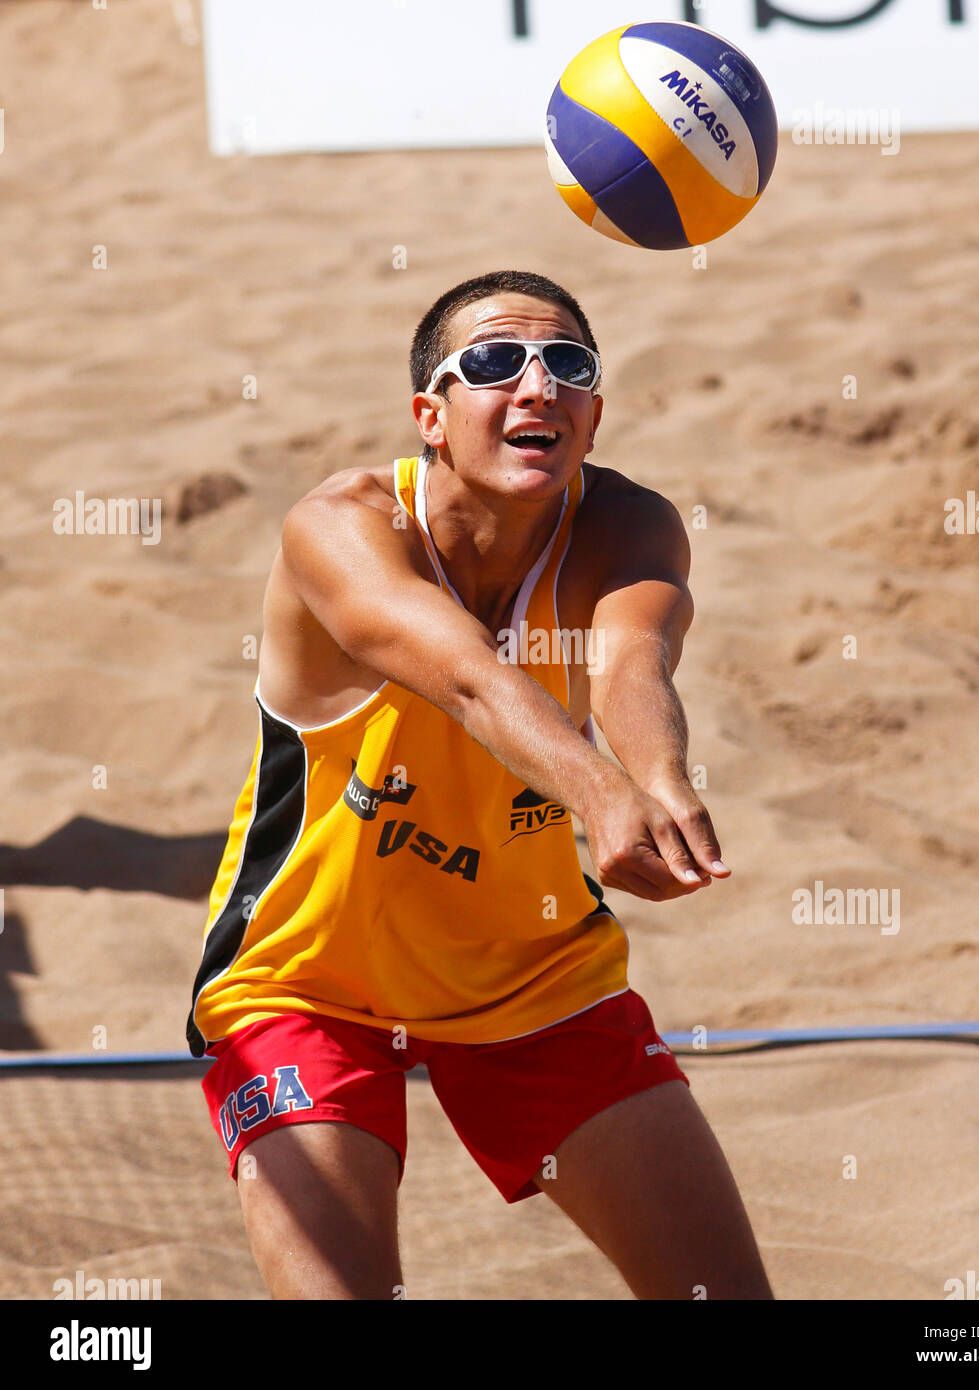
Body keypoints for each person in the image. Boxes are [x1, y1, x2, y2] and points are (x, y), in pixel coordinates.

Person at [186, 268, 773, 1301]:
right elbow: (468, 678)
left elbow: (630, 663)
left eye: (568, 366)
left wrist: (660, 779)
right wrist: (602, 794)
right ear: (431, 415)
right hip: (305, 979)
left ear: (593, 415)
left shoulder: (627, 525)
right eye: (497, 362)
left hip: (534, 973)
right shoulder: (342, 525)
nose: (538, 386)